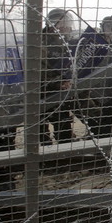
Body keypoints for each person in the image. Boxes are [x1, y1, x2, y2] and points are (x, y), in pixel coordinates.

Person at [41, 8, 79, 144]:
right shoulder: (41, 42)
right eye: (58, 22)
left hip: (65, 91)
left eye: (66, 22)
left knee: (63, 124)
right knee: (40, 127)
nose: (63, 26)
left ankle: (64, 151)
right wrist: (58, 83)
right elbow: (39, 69)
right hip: (44, 92)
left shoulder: (73, 42)